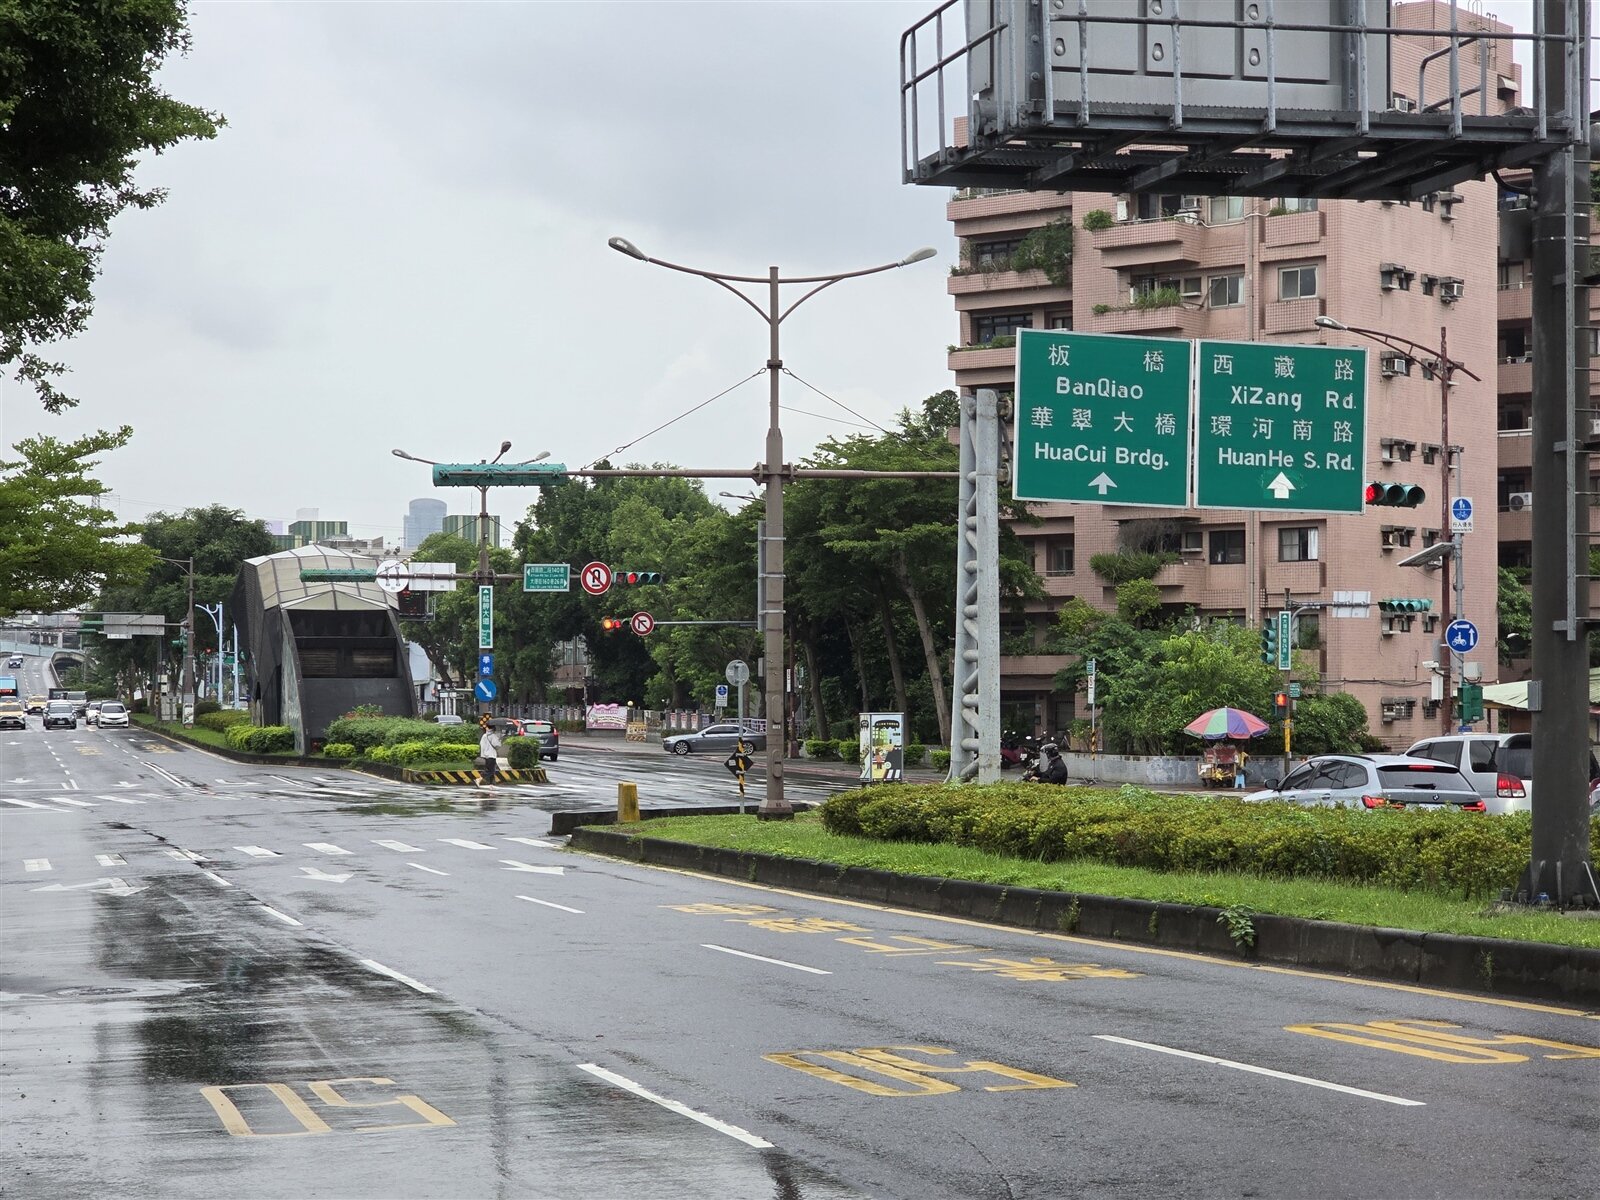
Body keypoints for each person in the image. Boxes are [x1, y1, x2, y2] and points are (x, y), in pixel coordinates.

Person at [477, 717, 502, 787]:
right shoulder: (493, 736)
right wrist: (499, 741)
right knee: (490, 770)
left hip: (486, 755)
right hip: (491, 755)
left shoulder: (484, 736)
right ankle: (479, 779)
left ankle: (491, 784)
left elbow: (481, 745)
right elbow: (497, 745)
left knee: (491, 769)